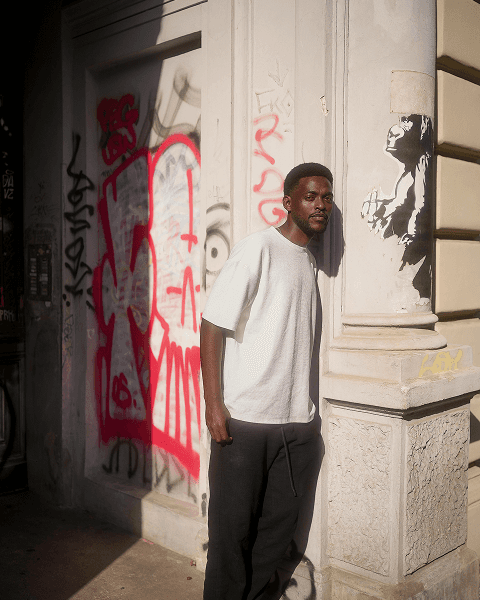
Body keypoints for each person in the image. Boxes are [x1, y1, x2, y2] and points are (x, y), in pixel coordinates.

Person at [200, 162, 334, 600]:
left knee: (276, 543)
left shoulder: (309, 262)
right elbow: (213, 323)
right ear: (289, 202)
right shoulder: (258, 248)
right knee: (231, 541)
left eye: (326, 197)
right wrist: (214, 404)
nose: (320, 205)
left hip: (297, 430)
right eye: (311, 197)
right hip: (246, 425)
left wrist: (308, 424)